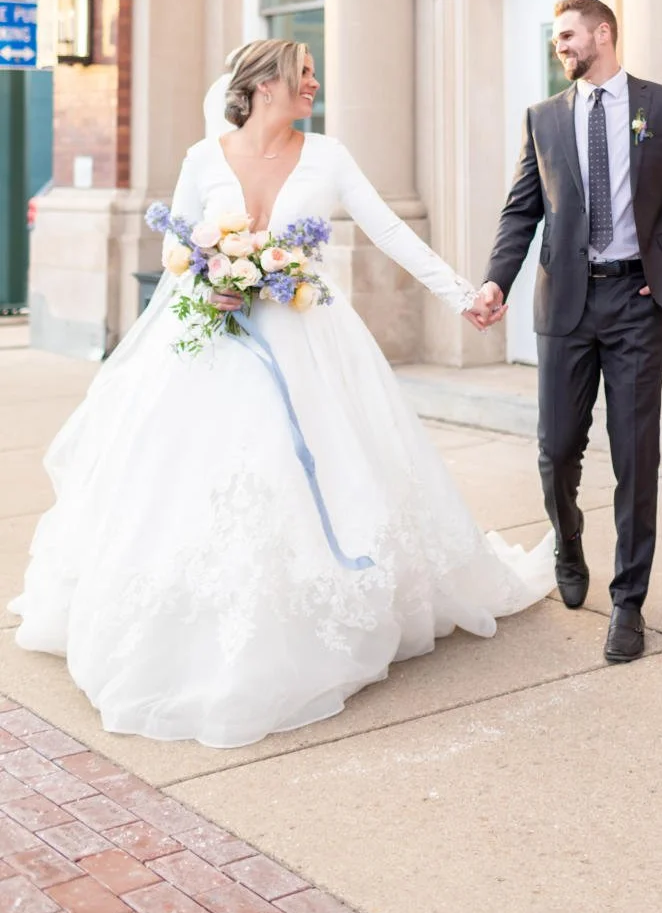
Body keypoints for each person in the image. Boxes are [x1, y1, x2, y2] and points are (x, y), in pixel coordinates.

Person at [9, 39, 554, 749]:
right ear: (264, 83)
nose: (314, 84)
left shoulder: (328, 155)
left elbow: (387, 230)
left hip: (310, 337)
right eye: (303, 74)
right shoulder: (203, 159)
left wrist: (463, 296)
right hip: (214, 341)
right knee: (202, 481)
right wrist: (212, 283)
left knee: (320, 471)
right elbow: (177, 253)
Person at [476, 0, 662, 665]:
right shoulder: (544, 118)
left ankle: (629, 601)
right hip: (566, 305)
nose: (561, 47)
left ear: (602, 34)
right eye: (558, 38)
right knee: (556, 449)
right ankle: (568, 540)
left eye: (568, 35)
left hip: (639, 302)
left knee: (636, 455)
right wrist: (497, 279)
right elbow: (522, 210)